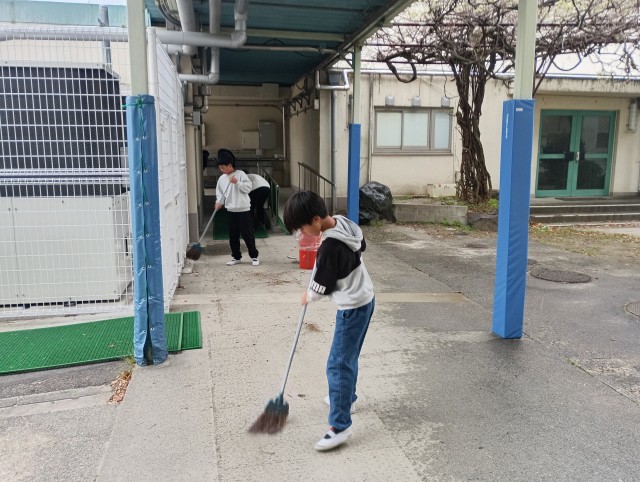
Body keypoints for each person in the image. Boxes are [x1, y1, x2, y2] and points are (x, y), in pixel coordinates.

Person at [282, 191, 375, 452]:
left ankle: (340, 425)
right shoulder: (344, 223)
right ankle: (348, 398)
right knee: (348, 357)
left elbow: (323, 286)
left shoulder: (329, 247)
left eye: (302, 228)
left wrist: (309, 295)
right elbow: (361, 246)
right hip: (366, 298)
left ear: (315, 219)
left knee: (338, 365)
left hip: (351, 308)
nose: (302, 233)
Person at [215, 148, 260, 266]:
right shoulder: (221, 179)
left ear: (230, 165)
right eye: (220, 168)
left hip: (243, 210)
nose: (221, 170)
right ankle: (236, 257)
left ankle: (254, 256)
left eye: (223, 167)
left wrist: (237, 182)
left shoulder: (240, 174)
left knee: (247, 234)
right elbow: (220, 194)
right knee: (233, 236)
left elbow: (248, 188)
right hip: (231, 210)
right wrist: (219, 202)